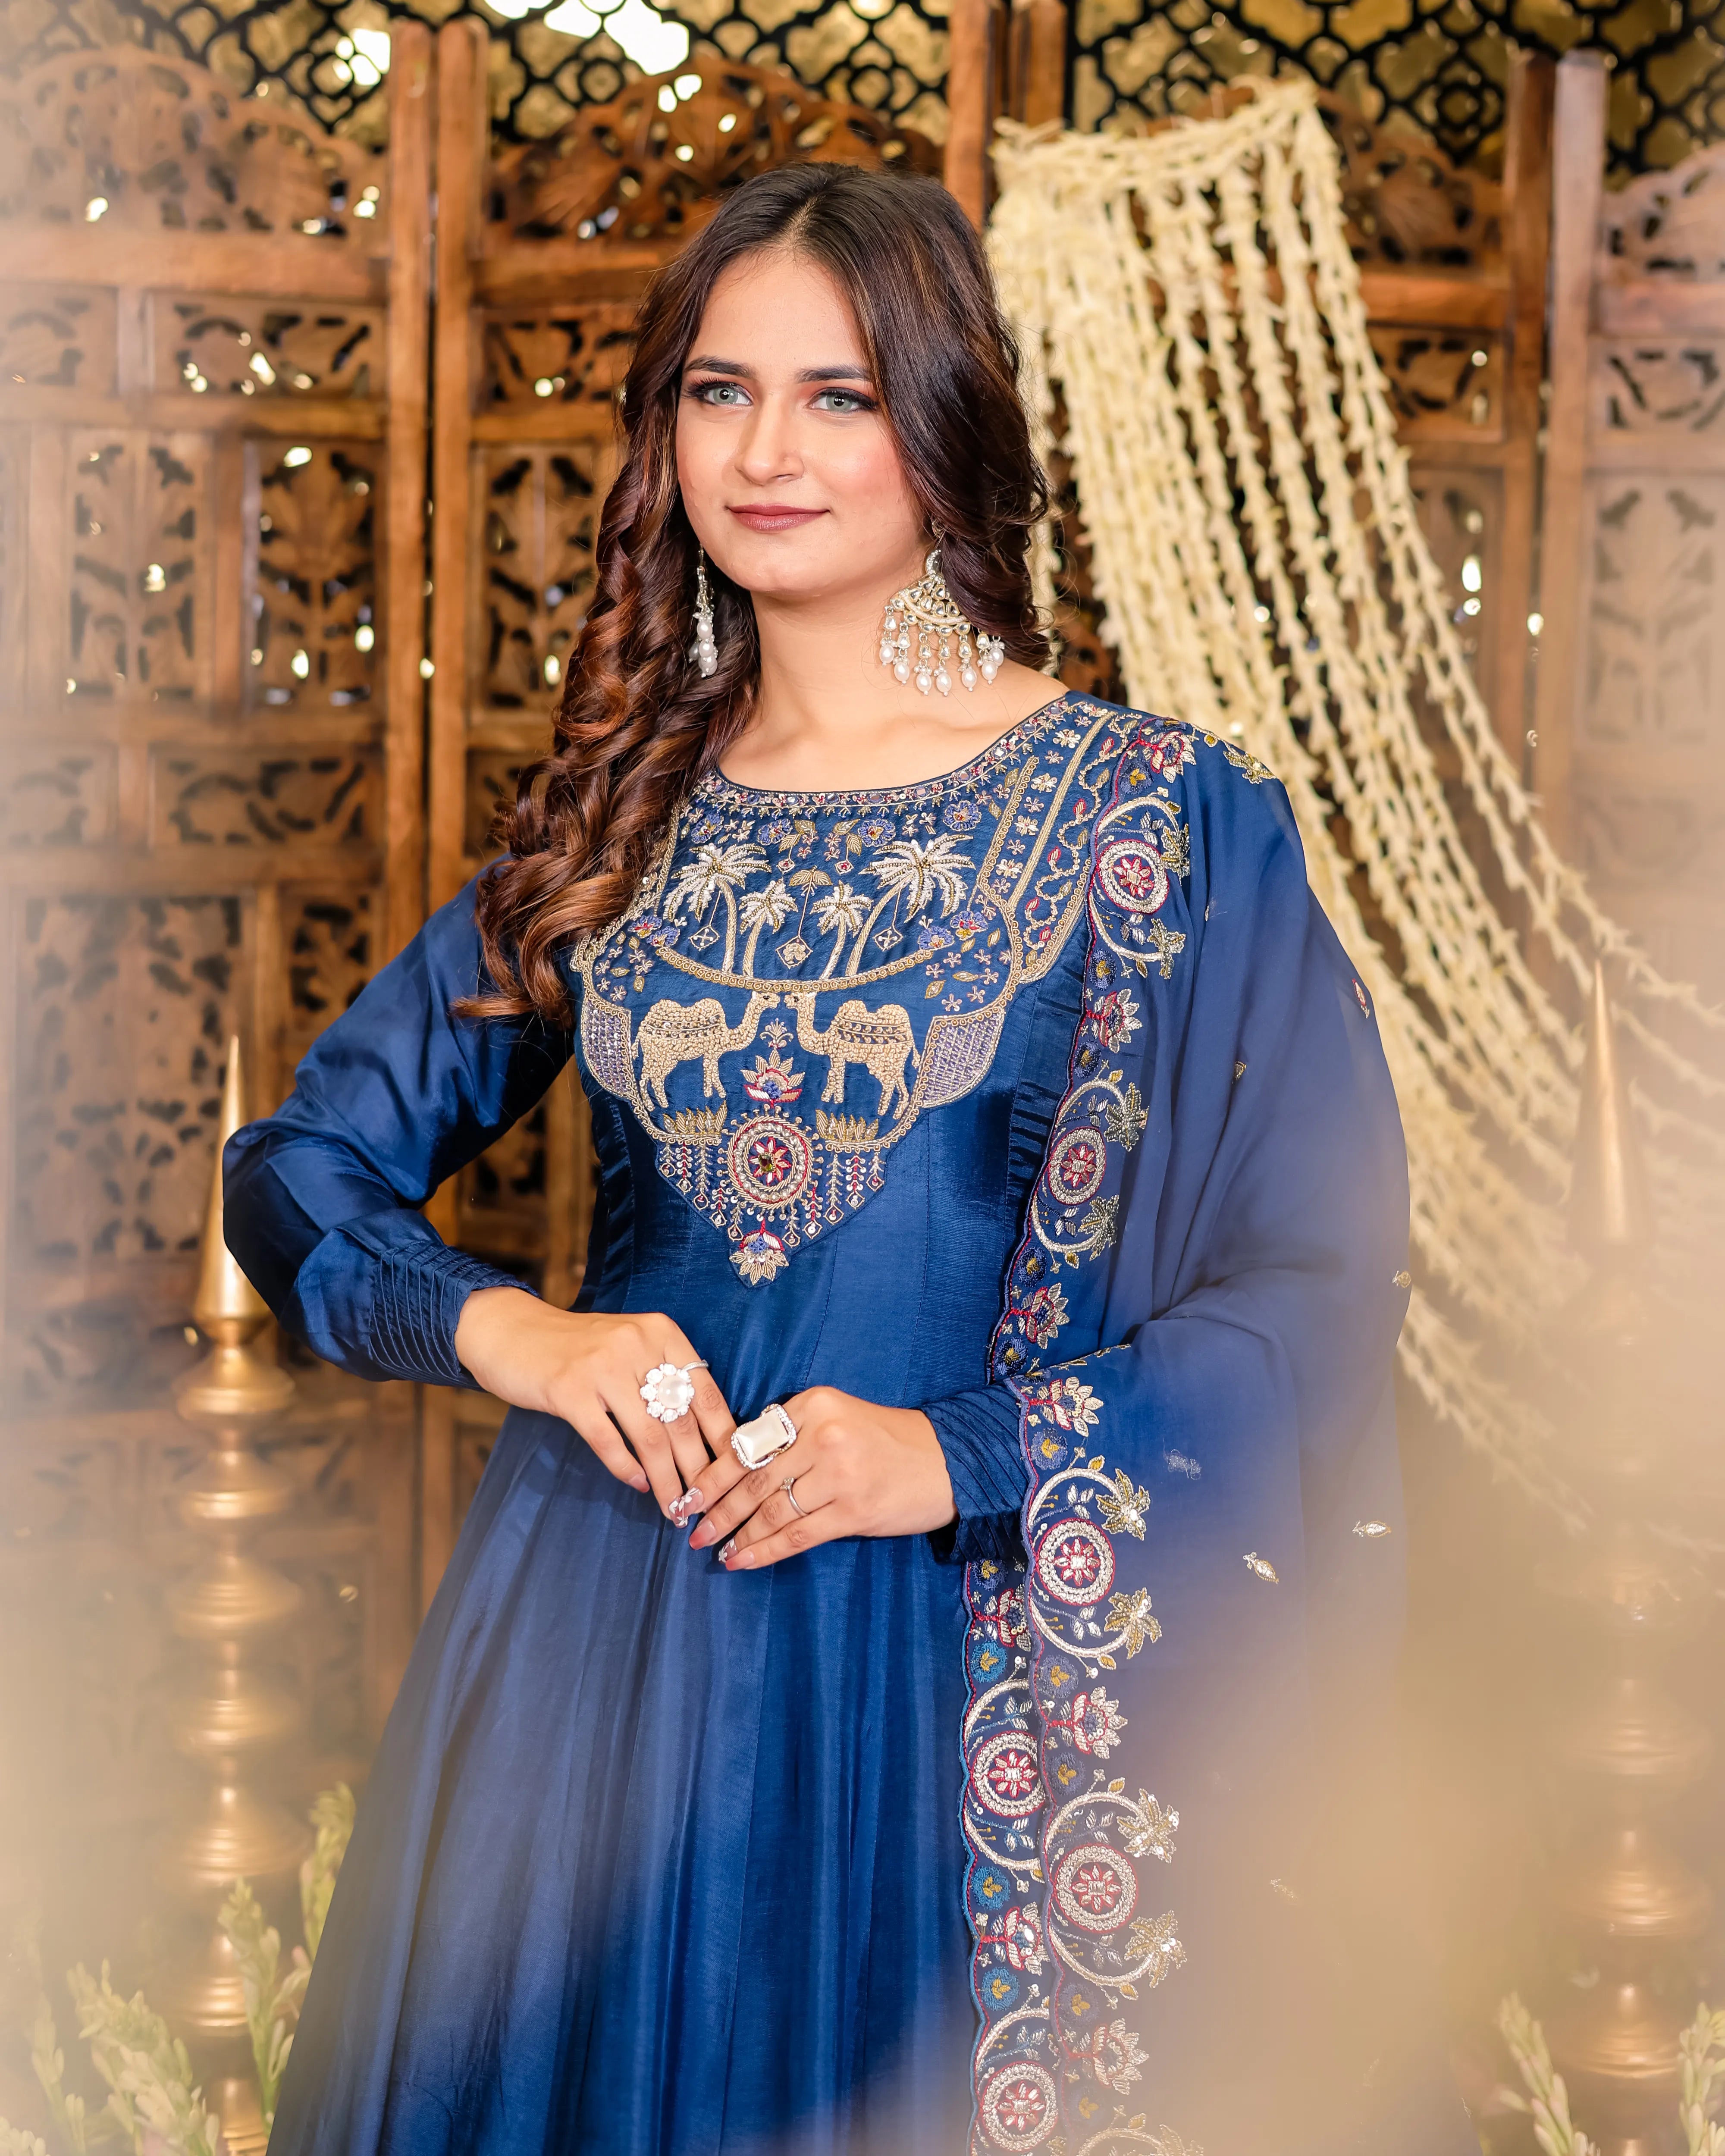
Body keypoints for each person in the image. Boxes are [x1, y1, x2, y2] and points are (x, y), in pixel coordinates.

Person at [227, 161, 1477, 2156]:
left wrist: (949, 1452)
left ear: (945, 419)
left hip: (962, 1665)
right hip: (604, 1663)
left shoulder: (1161, 826)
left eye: (839, 396)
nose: (765, 451)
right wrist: (526, 1338)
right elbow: (296, 1165)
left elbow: (1313, 1291)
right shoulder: (615, 825)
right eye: (717, 392)